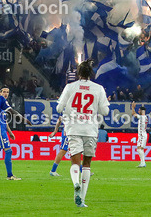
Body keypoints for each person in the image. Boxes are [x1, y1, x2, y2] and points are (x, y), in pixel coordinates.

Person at [56, 61, 110, 208]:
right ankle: (82, 199)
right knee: (86, 164)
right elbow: (105, 111)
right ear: (91, 73)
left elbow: (59, 108)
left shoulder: (70, 87)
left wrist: (67, 107)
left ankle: (76, 183)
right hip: (90, 130)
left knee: (75, 162)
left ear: (78, 73)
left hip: (73, 128)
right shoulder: (98, 88)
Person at [0, 87, 20, 180]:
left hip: (3, 131)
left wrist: (10, 132)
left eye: (7, 92)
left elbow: (4, 120)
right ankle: (9, 175)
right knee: (7, 151)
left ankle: (9, 175)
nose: (6, 94)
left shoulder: (3, 105)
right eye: (4, 92)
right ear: (0, 93)